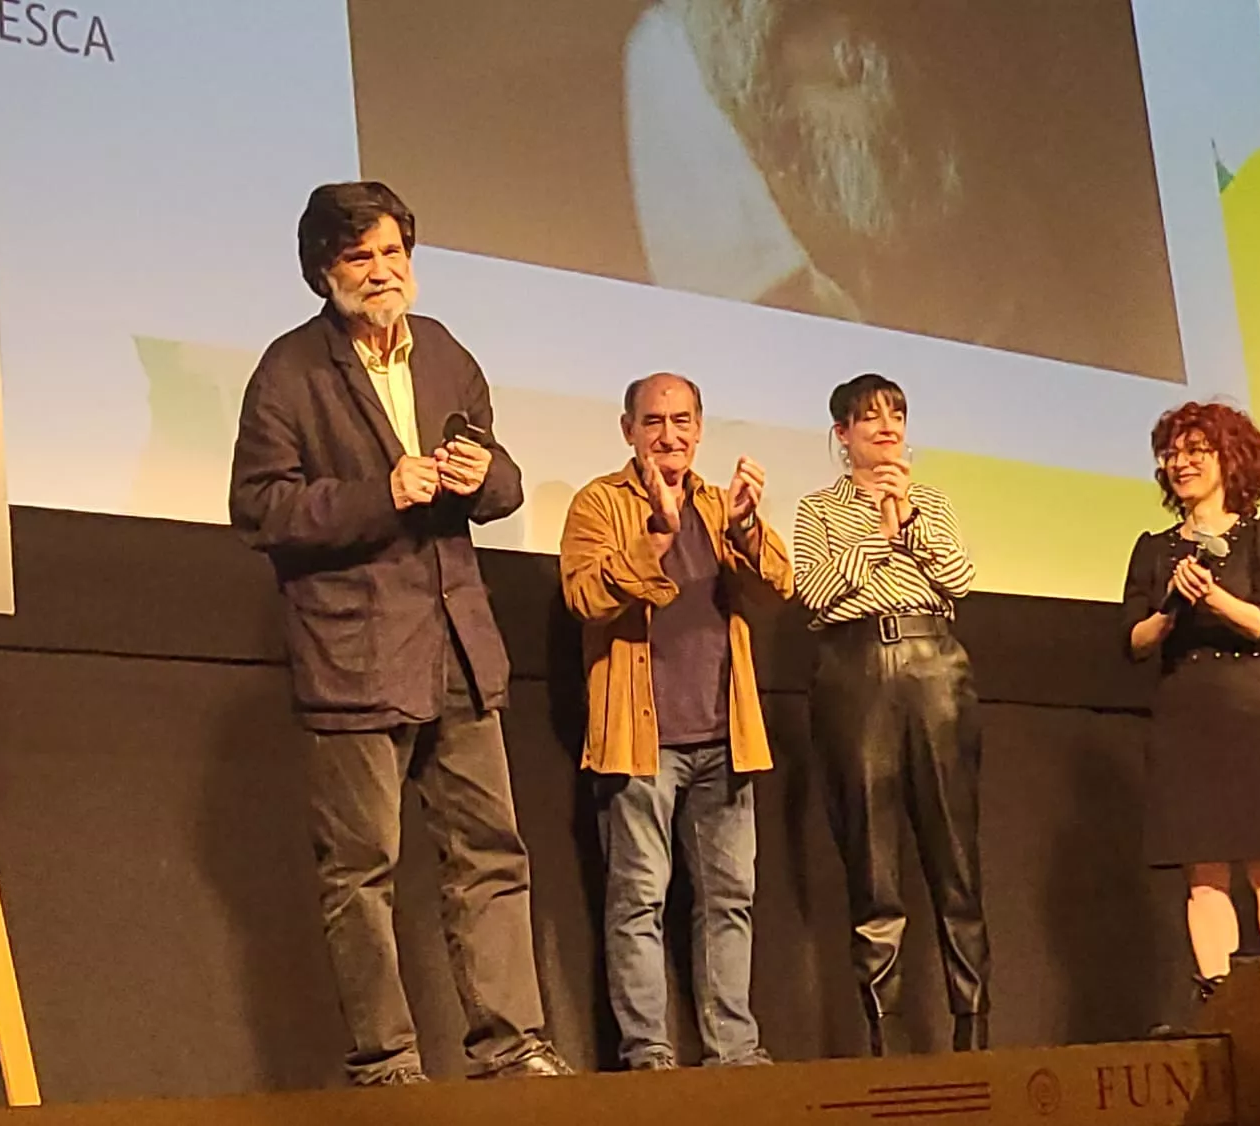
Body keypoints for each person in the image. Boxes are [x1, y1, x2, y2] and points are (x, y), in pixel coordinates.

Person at [229, 181, 571, 1083]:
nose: (381, 273)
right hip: (354, 650)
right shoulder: (290, 370)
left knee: (492, 852)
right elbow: (260, 507)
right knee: (364, 868)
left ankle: (512, 1044)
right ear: (323, 272)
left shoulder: (446, 353)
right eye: (359, 258)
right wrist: (383, 495)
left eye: (392, 254)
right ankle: (387, 1063)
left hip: (457, 641)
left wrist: (480, 472)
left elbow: (502, 487)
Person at [558, 372, 793, 1070]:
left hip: (726, 736)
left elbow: (779, 585)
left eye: (683, 421)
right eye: (654, 421)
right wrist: (656, 537)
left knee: (730, 900)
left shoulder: (722, 506)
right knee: (637, 902)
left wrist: (748, 526)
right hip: (640, 739)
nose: (670, 435)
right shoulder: (599, 503)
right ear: (628, 429)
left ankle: (733, 1050)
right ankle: (648, 1056)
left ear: (700, 429)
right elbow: (583, 596)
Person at [792, 372, 988, 1055]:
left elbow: (960, 580)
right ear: (841, 435)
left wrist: (912, 526)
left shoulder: (930, 500)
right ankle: (887, 1035)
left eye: (896, 415)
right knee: (873, 863)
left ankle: (973, 1025)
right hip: (856, 670)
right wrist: (878, 534)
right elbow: (813, 590)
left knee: (955, 855)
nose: (886, 427)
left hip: (936, 663)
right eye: (868, 417)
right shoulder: (818, 509)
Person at [1121, 401, 1260, 1024]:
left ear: (1230, 458)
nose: (1180, 464)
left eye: (1195, 451)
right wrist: (1171, 606)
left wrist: (1215, 595)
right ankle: (1219, 1004)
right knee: (1202, 872)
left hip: (1254, 704)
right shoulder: (1154, 550)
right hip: (1186, 706)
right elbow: (1133, 641)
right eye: (1172, 454)